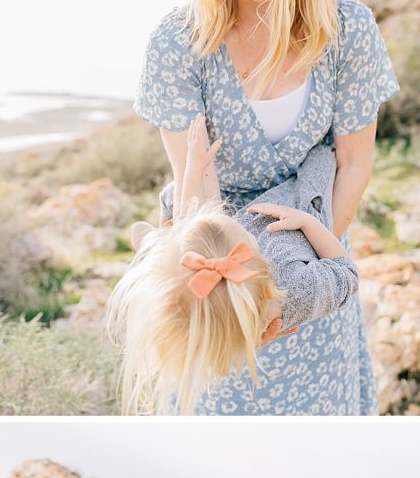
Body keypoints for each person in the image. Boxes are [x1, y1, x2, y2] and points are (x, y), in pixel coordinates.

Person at [134, 0, 399, 414]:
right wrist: (244, 300)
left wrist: (299, 280)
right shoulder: (177, 42)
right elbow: (195, 188)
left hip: (312, 255)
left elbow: (354, 163)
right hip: (220, 285)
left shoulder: (349, 31)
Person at [106, 114, 358, 414]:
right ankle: (157, 244)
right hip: (304, 193)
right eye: (239, 228)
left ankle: (158, 244)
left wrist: (195, 169)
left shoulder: (218, 301)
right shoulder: (299, 288)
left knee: (177, 209)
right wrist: (307, 223)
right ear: (247, 254)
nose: (235, 216)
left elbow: (195, 219)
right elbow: (347, 273)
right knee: (179, 215)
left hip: (204, 258)